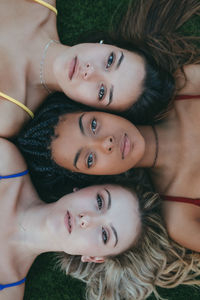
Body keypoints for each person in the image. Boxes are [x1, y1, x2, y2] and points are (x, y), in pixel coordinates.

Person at [1, 137, 200, 300]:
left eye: (105, 235)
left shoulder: (8, 293)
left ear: (94, 258)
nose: (86, 219)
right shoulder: (6, 163)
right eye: (99, 201)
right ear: (83, 188)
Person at [18, 90, 200, 253]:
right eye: (89, 159)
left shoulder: (186, 85)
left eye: (93, 125)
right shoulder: (180, 219)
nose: (107, 143)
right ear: (87, 178)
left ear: (96, 109)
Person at [0, 0, 178, 138]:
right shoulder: (37, 5)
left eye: (102, 92)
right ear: (108, 44)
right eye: (110, 60)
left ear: (90, 107)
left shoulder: (8, 115)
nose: (90, 72)